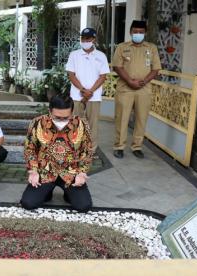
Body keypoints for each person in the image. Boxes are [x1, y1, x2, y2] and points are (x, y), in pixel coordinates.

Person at [21, 95, 94, 212]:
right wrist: (33, 171)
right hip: (45, 171)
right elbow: (30, 148)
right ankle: (47, 192)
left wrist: (82, 172)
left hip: (71, 172)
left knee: (83, 206)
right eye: (57, 117)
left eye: (66, 117)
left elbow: (87, 150)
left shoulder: (81, 124)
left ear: (72, 112)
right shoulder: (37, 123)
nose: (61, 121)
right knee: (28, 203)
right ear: (50, 111)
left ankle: (68, 194)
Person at [112, 20, 161, 159]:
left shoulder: (151, 48)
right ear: (130, 32)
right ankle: (119, 146)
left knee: (141, 118)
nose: (138, 34)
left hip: (144, 88)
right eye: (135, 31)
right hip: (125, 88)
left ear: (145, 33)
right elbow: (117, 66)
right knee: (122, 118)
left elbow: (156, 68)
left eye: (141, 32)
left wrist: (144, 81)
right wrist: (129, 81)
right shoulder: (122, 47)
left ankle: (137, 146)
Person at [66, 27, 110, 157]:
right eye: (83, 38)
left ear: (94, 39)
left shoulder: (101, 56)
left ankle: (91, 149)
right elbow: (71, 75)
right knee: (75, 122)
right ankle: (75, 147)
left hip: (94, 96)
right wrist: (82, 90)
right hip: (76, 95)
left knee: (93, 124)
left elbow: (103, 76)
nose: (85, 41)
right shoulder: (74, 54)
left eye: (88, 39)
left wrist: (90, 91)